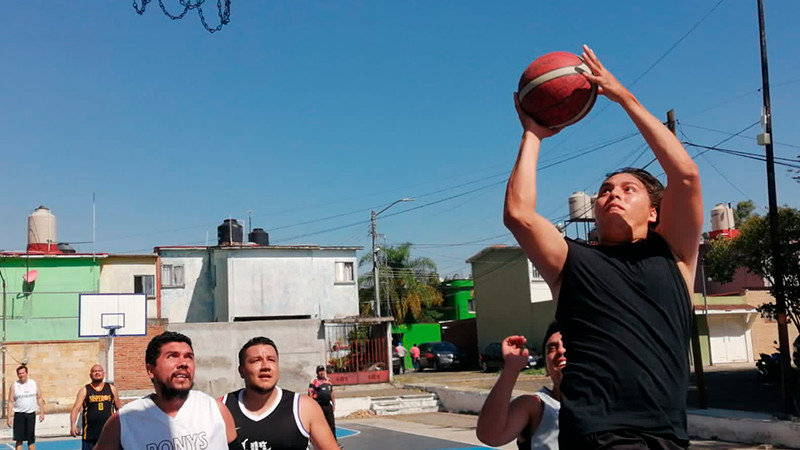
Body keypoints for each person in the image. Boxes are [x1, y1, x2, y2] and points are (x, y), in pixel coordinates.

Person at [504, 45, 702, 449]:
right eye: (605, 190)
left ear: (654, 212)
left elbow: (684, 175)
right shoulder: (572, 262)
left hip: (668, 436)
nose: (613, 194)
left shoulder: (675, 254)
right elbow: (519, 215)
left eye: (629, 189)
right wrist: (533, 134)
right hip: (599, 435)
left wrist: (623, 96)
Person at [93, 331, 238, 450]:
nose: (183, 363)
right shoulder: (124, 421)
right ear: (151, 370)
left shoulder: (215, 410)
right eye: (172, 356)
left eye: (189, 357)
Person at [223, 337, 339, 450]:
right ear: (241, 371)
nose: (265, 366)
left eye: (271, 360)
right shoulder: (220, 409)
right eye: (256, 360)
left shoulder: (304, 408)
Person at [476, 322, 564, 450]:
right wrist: (511, 368)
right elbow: (489, 435)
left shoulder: (601, 405)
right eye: (552, 348)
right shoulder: (535, 406)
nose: (561, 350)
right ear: (546, 367)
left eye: (567, 345)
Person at [69, 364, 122, 450]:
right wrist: (72, 425)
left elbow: (119, 408)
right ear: (90, 375)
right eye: (94, 371)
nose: (97, 373)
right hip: (90, 435)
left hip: (108, 433)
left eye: (99, 371)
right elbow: (76, 408)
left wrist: (123, 424)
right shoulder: (85, 390)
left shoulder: (111, 389)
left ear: (103, 374)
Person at [6, 365, 45, 450]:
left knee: (31, 440)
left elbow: (39, 398)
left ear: (27, 373)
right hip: (19, 415)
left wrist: (42, 412)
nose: (21, 375)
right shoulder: (14, 385)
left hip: (31, 414)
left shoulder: (34, 384)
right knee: (19, 440)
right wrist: (8, 417)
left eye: (23, 373)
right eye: (19, 374)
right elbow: (10, 402)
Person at [308, 365, 339, 447]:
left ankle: (334, 443)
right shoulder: (314, 381)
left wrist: (333, 403)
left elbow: (331, 392)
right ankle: (319, 444)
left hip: (328, 406)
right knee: (319, 426)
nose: (321, 373)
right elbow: (310, 392)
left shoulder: (328, 381)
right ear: (317, 372)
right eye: (320, 371)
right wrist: (312, 405)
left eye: (323, 371)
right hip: (319, 406)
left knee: (331, 425)